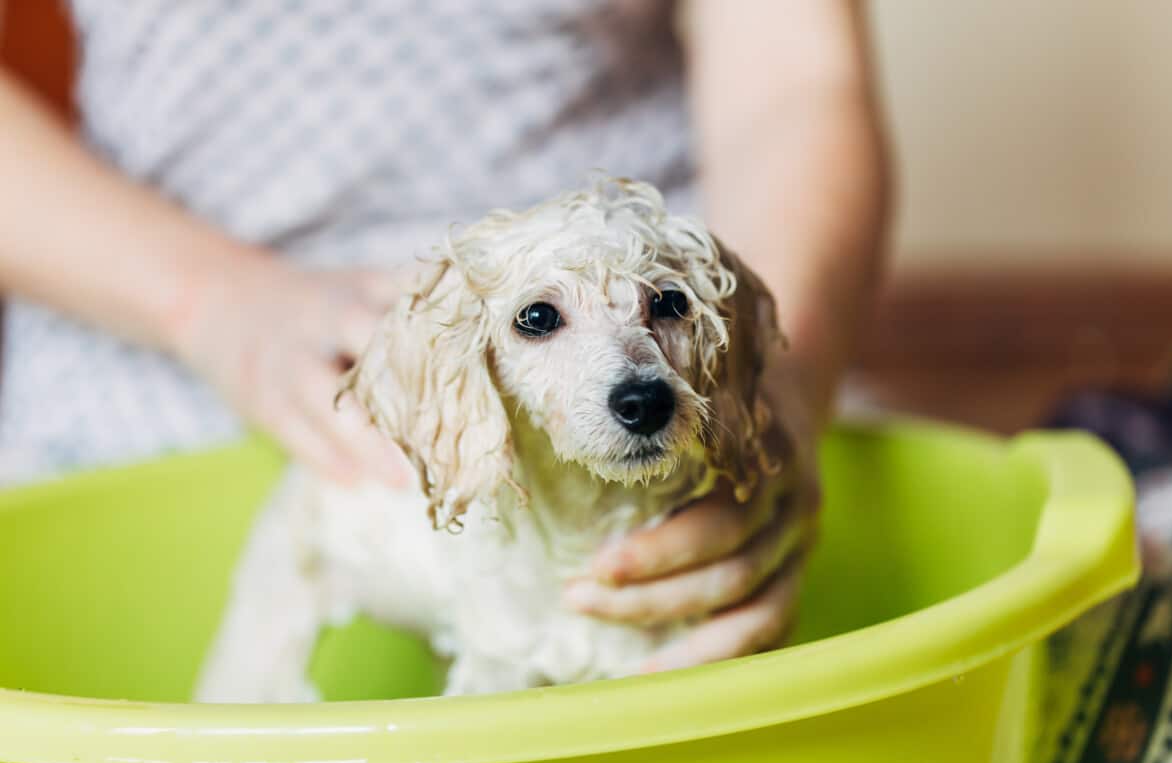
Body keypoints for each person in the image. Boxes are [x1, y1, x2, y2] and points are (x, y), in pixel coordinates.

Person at [0, 1, 889, 671]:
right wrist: (204, 300)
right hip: (132, 319)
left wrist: (779, 390)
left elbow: (796, 80)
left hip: (691, 355)